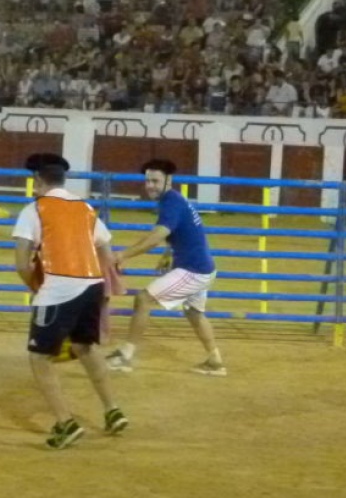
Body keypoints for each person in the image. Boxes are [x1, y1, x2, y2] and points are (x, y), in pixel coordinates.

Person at [12, 153, 128, 450]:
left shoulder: (34, 210)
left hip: (58, 288)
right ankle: (112, 410)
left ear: (38, 181)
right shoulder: (86, 208)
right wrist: (103, 289)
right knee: (84, 347)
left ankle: (66, 422)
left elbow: (22, 262)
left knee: (39, 357)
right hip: (92, 284)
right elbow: (106, 250)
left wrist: (37, 290)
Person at [105, 159, 226, 377]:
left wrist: (123, 254)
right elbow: (181, 231)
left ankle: (125, 355)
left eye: (155, 180)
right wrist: (168, 252)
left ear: (168, 180)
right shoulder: (174, 200)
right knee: (194, 312)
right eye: (147, 181)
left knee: (143, 299)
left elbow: (157, 235)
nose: (150, 185)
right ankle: (215, 361)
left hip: (193, 269)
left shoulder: (171, 202)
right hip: (201, 267)